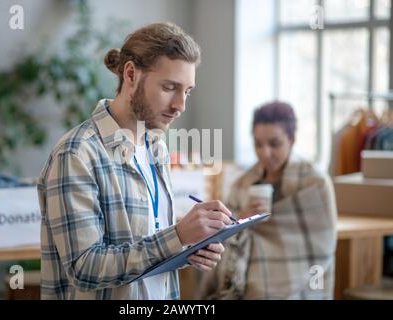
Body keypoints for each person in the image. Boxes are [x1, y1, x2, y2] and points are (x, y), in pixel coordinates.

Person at [37, 22, 233, 300]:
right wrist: (176, 236)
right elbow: (84, 268)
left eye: (187, 91)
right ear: (131, 74)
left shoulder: (156, 147)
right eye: (169, 87)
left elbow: (145, 242)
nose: (180, 105)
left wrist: (189, 246)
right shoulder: (77, 153)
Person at [199, 102, 337, 299]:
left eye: (274, 144)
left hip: (301, 284)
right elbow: (222, 235)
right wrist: (240, 220)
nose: (265, 153)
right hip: (249, 280)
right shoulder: (242, 184)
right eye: (258, 144)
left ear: (292, 139)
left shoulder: (315, 183)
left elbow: (321, 247)